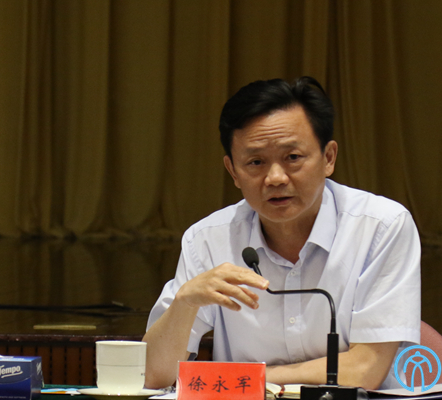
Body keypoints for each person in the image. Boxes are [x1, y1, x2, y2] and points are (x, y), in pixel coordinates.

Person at [143, 76, 421, 390]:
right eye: (256, 162)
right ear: (233, 171)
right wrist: (184, 303)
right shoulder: (207, 240)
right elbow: (153, 375)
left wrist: (237, 380)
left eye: (292, 158)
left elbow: (364, 371)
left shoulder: (381, 227)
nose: (275, 178)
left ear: (328, 158)